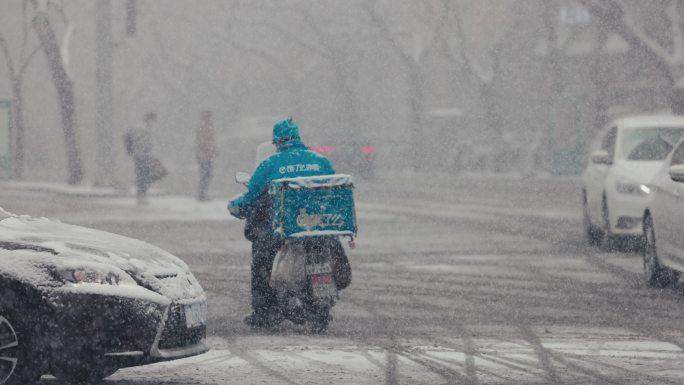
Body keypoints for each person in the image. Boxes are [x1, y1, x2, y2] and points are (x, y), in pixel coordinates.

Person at [228, 118, 336, 328]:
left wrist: (234, 206)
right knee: (321, 254)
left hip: (281, 230)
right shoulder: (321, 161)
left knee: (261, 261)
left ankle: (264, 311)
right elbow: (334, 193)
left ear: (277, 142)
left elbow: (251, 197)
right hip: (316, 228)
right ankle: (321, 306)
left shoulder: (270, 164)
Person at [124, 112, 167, 205]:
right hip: (142, 156)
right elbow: (143, 144)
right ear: (149, 120)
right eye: (153, 120)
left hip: (143, 156)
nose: (154, 123)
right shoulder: (142, 129)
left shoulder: (142, 128)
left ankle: (141, 194)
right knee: (144, 175)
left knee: (145, 175)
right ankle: (141, 195)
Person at [196, 110, 218, 201]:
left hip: (207, 155)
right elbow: (202, 143)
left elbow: (210, 141)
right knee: (205, 175)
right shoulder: (203, 128)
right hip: (204, 156)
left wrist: (214, 150)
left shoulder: (208, 127)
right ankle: (202, 195)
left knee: (207, 175)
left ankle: (203, 194)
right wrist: (210, 150)